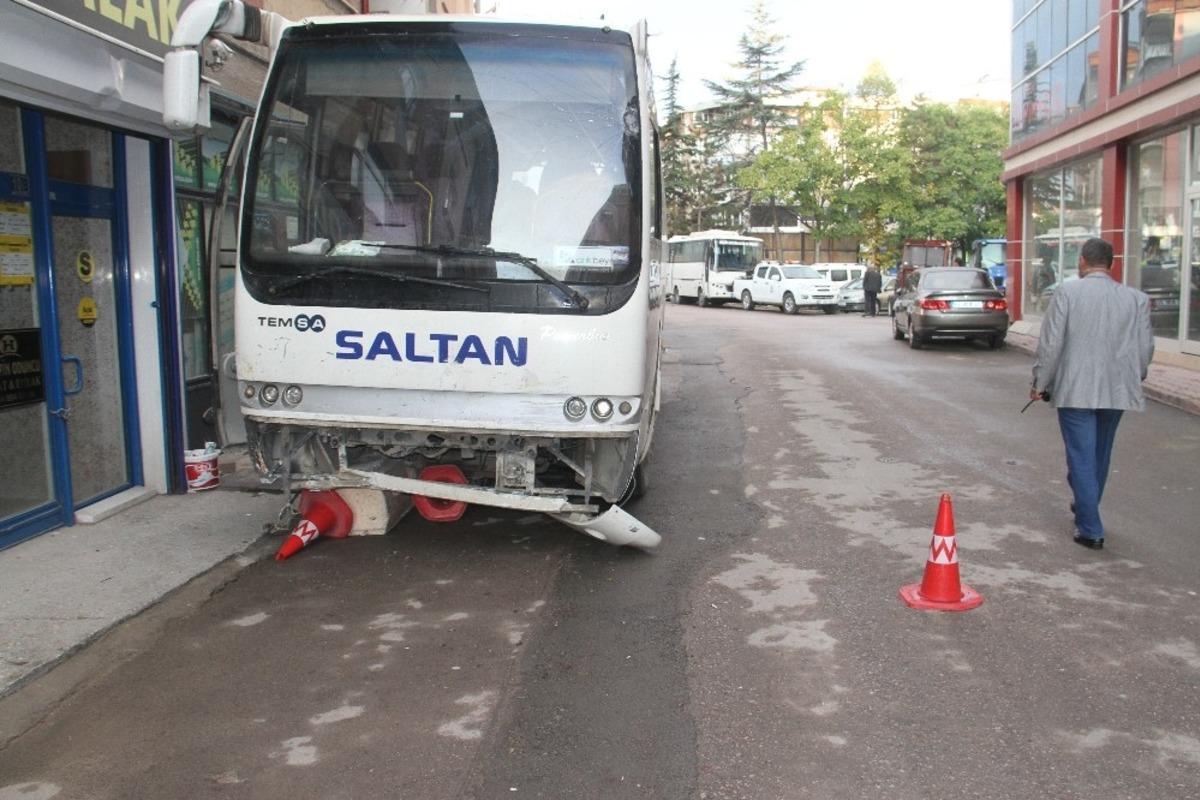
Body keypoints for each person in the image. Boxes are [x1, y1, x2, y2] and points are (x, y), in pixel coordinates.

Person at [1030, 237, 1154, 551]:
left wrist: (1040, 382)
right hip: (1117, 390)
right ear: (1111, 264)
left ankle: (1090, 527)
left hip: (1076, 390)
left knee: (1081, 456)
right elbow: (1144, 349)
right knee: (1099, 453)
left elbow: (1051, 343)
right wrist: (1134, 376)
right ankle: (1087, 504)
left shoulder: (1067, 292)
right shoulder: (1135, 299)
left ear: (1082, 261)